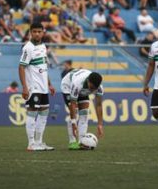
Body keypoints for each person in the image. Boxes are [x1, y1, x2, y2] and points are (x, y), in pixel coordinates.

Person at [18, 22, 56, 151]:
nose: (37, 34)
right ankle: (31, 143)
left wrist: (49, 84)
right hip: (33, 87)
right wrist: (24, 87)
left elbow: (44, 67)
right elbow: (21, 67)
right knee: (32, 113)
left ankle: (39, 142)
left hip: (43, 87)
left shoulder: (43, 47)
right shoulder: (28, 48)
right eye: (34, 31)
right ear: (30, 32)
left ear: (43, 32)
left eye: (39, 31)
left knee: (44, 112)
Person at [61, 69, 104, 150]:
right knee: (75, 111)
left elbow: (98, 105)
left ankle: (82, 141)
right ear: (88, 81)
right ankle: (72, 142)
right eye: (91, 88)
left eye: (94, 89)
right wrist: (74, 123)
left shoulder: (99, 88)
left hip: (83, 90)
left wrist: (100, 124)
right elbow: (73, 104)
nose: (92, 91)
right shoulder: (77, 83)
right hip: (68, 85)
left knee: (84, 113)